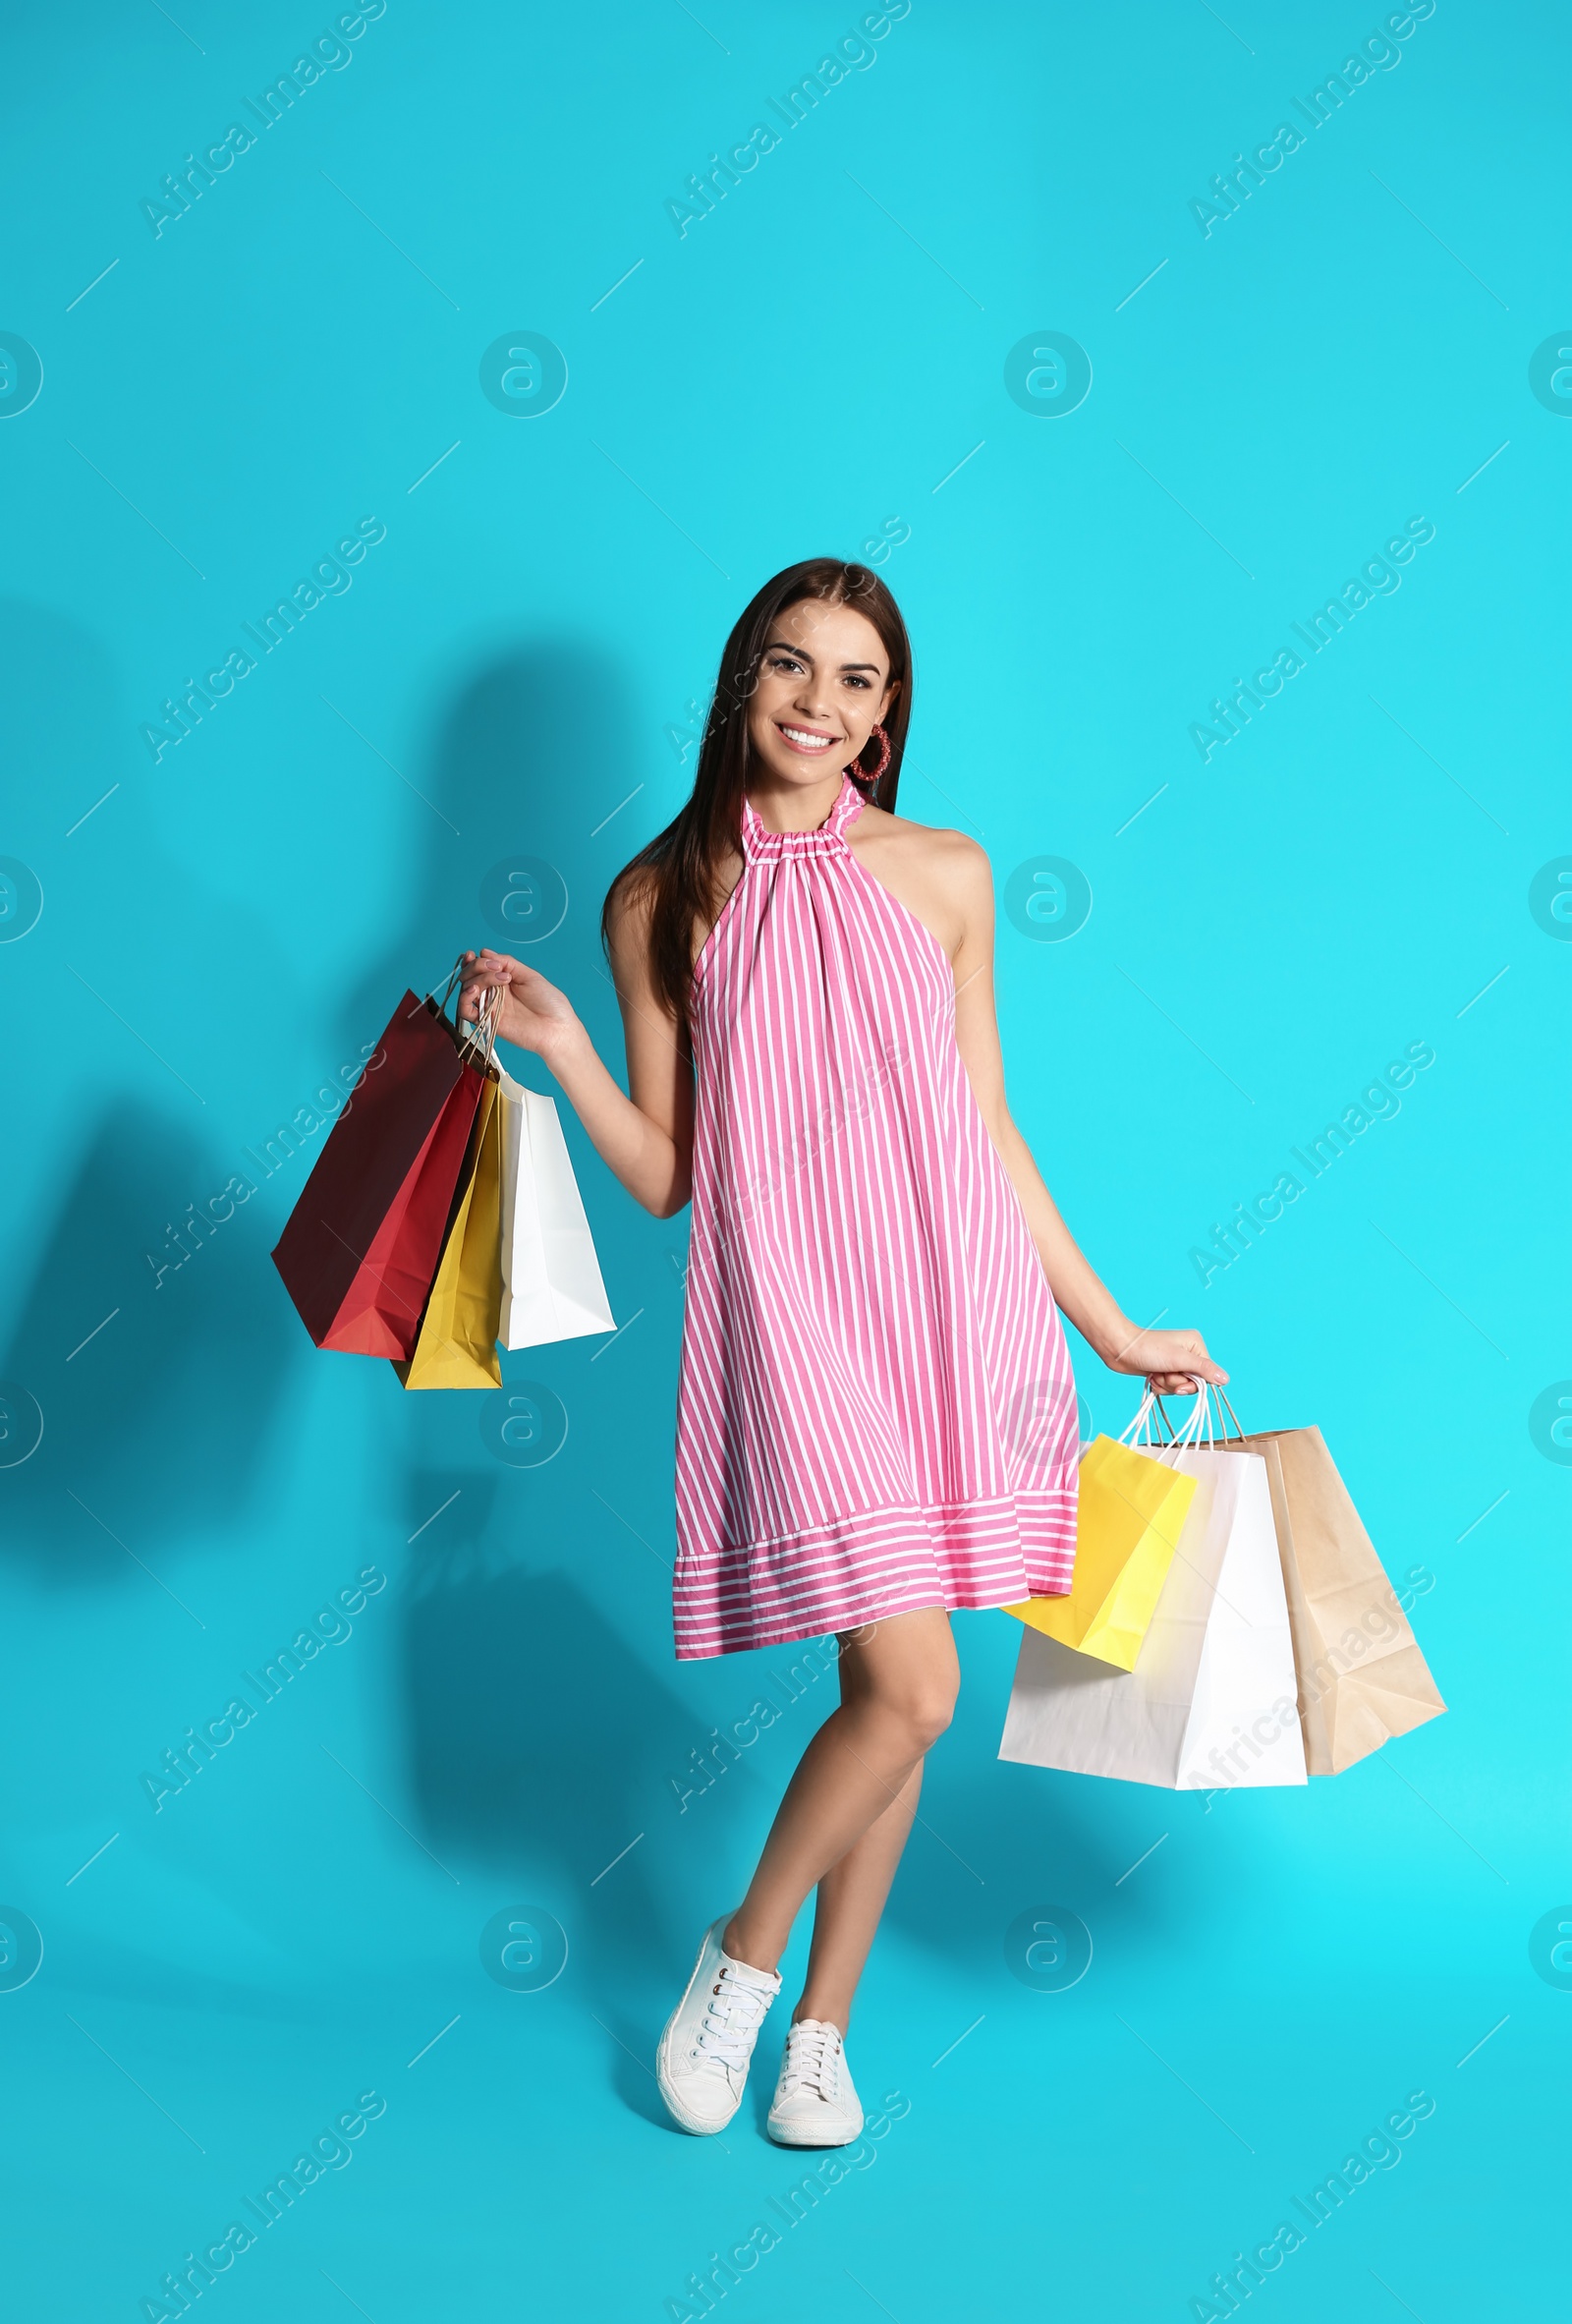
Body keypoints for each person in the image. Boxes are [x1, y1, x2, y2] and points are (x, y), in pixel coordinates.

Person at [459, 557, 1224, 2148]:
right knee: (914, 1681)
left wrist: (1110, 1325)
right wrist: (563, 1053)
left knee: (903, 1697)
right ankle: (740, 1960)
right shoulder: (659, 898)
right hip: (791, 1316)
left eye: (857, 679)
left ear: (888, 714)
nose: (820, 701)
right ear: (742, 681)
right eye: (791, 667)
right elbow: (674, 1174)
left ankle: (821, 2030)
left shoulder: (945, 871)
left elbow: (985, 1122)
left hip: (952, 1308)